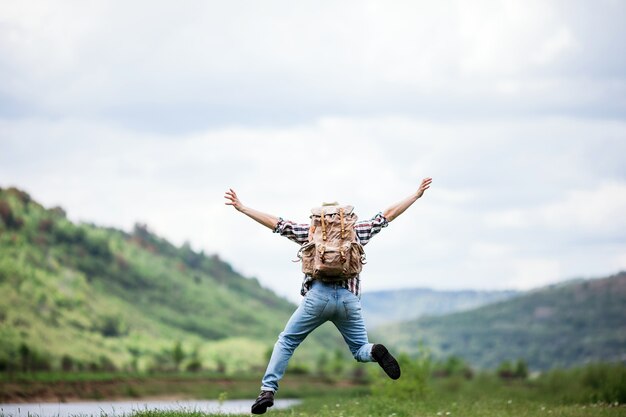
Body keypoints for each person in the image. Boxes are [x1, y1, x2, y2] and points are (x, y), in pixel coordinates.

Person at [224, 177, 432, 415]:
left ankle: (267, 391)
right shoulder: (356, 232)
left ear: (320, 218)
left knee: (287, 341)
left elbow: (276, 223)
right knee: (360, 349)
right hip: (348, 299)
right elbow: (387, 215)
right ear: (343, 216)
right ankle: (374, 350)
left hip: (317, 298)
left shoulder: (310, 233)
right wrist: (415, 196)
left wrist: (243, 208)